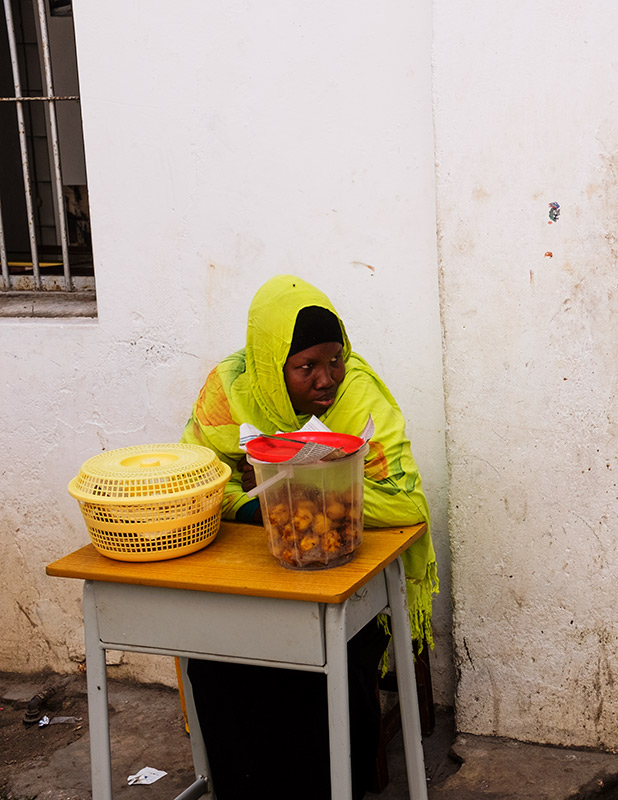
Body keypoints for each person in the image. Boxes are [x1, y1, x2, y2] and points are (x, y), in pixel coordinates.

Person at [179, 274, 436, 800]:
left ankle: (336, 788)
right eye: (306, 367)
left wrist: (287, 489)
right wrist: (272, 505)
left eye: (334, 359)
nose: (327, 380)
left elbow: (407, 502)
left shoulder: (357, 394)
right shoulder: (231, 389)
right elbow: (201, 480)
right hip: (254, 570)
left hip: (343, 578)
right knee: (212, 659)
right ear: (273, 367)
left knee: (331, 661)